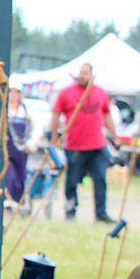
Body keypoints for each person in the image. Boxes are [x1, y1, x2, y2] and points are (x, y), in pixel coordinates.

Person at [49, 61, 118, 223]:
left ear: (91, 75)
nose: (82, 76)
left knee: (100, 178)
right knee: (72, 180)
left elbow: (107, 115)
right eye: (80, 73)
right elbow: (56, 114)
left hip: (97, 144)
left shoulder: (101, 93)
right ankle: (70, 210)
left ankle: (101, 213)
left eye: (85, 73)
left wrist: (114, 136)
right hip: (75, 145)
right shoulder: (66, 93)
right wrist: (54, 137)